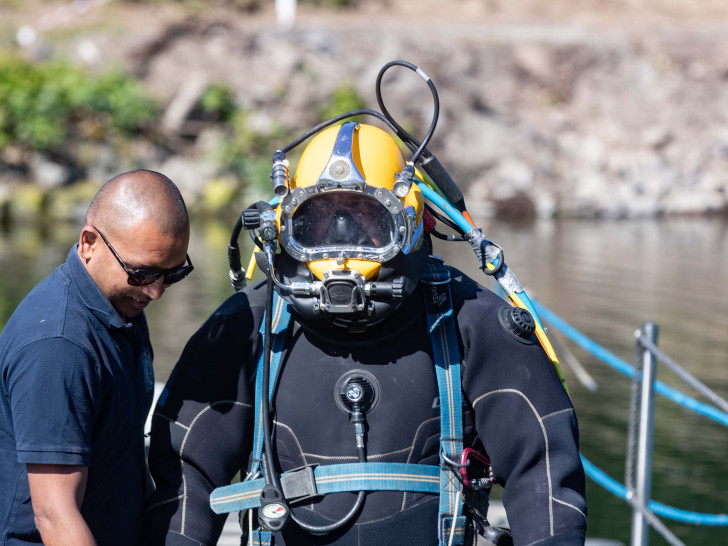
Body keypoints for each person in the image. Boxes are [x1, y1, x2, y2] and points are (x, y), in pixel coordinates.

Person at [145, 123, 587, 545]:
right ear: (283, 223)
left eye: (365, 221)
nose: (341, 242)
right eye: (317, 222)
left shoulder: (472, 323)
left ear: (413, 222)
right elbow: (185, 471)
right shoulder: (247, 328)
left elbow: (543, 470)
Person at [0, 169, 193, 545]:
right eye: (142, 273)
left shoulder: (121, 306)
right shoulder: (58, 346)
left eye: (174, 274)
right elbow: (55, 515)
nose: (156, 292)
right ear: (89, 242)